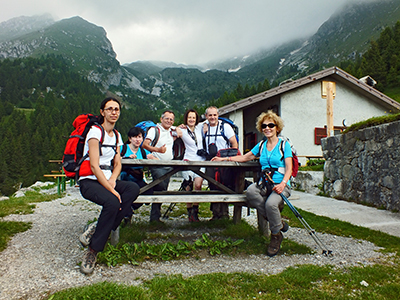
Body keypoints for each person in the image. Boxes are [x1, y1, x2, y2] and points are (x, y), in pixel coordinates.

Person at [212, 110, 292, 257]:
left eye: (270, 125)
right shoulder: (261, 145)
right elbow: (245, 157)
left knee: (270, 204)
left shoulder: (284, 144)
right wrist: (223, 159)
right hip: (264, 183)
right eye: (264, 126)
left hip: (280, 184)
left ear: (277, 128)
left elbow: (289, 167)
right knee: (250, 192)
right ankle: (278, 223)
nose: (267, 128)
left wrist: (283, 184)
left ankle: (275, 236)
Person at [78, 97, 140, 274]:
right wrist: (111, 189)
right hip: (90, 181)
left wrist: (113, 179)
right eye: (110, 109)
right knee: (113, 202)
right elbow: (94, 166)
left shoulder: (118, 136)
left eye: (117, 109)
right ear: (102, 112)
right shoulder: (95, 132)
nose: (114, 112)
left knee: (132, 189)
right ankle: (92, 251)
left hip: (107, 178)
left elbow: (118, 163)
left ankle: (97, 228)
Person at [142, 110, 182, 223]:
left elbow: (180, 134)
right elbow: (145, 144)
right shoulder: (154, 130)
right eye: (166, 118)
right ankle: (144, 194)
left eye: (171, 119)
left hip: (168, 165)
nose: (168, 121)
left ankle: (155, 217)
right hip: (157, 164)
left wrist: (177, 128)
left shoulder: (170, 131)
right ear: (161, 119)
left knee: (163, 190)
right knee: (159, 187)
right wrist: (157, 150)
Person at [203, 106, 238, 220]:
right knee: (212, 185)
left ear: (218, 115)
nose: (212, 117)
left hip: (224, 161)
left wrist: (229, 159)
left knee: (224, 185)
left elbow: (234, 144)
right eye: (210, 115)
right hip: (210, 161)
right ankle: (215, 213)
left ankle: (224, 214)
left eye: (215, 115)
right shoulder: (204, 127)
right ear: (206, 116)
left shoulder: (225, 127)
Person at [120, 126, 156, 218]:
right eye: (135, 137)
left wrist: (153, 158)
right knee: (132, 191)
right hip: (123, 178)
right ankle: (126, 212)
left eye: (139, 137)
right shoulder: (122, 149)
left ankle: (129, 208)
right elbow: (113, 159)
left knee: (149, 192)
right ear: (130, 138)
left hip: (137, 178)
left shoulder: (144, 151)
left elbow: (156, 160)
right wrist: (126, 158)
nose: (137, 139)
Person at [179, 109, 206, 222]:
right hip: (188, 159)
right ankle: (189, 211)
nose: (191, 119)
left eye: (194, 117)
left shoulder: (200, 127)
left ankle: (196, 210)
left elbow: (211, 121)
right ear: (186, 118)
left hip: (200, 160)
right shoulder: (182, 129)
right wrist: (176, 128)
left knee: (198, 185)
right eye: (189, 117)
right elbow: (170, 129)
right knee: (188, 188)